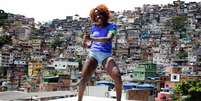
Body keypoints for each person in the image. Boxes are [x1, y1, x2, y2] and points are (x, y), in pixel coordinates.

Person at [78, 4, 122, 101]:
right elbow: (90, 44)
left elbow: (108, 38)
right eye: (96, 15)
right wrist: (85, 42)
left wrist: (91, 38)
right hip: (93, 54)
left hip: (106, 55)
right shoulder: (94, 27)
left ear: (105, 14)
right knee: (83, 79)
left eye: (100, 14)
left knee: (117, 76)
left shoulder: (112, 26)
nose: (98, 16)